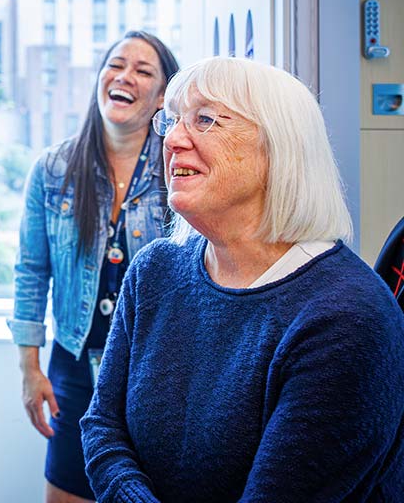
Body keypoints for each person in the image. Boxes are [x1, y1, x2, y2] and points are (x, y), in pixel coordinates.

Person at [81, 57, 404, 502]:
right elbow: (103, 426)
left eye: (206, 120)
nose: (172, 139)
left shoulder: (348, 319)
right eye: (172, 121)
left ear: (278, 148)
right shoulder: (154, 272)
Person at [10, 30, 179, 503]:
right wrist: (29, 368)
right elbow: (30, 272)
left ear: (163, 94)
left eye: (143, 71)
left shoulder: (179, 168)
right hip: (74, 365)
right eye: (115, 64)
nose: (124, 77)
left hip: (159, 371)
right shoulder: (53, 168)